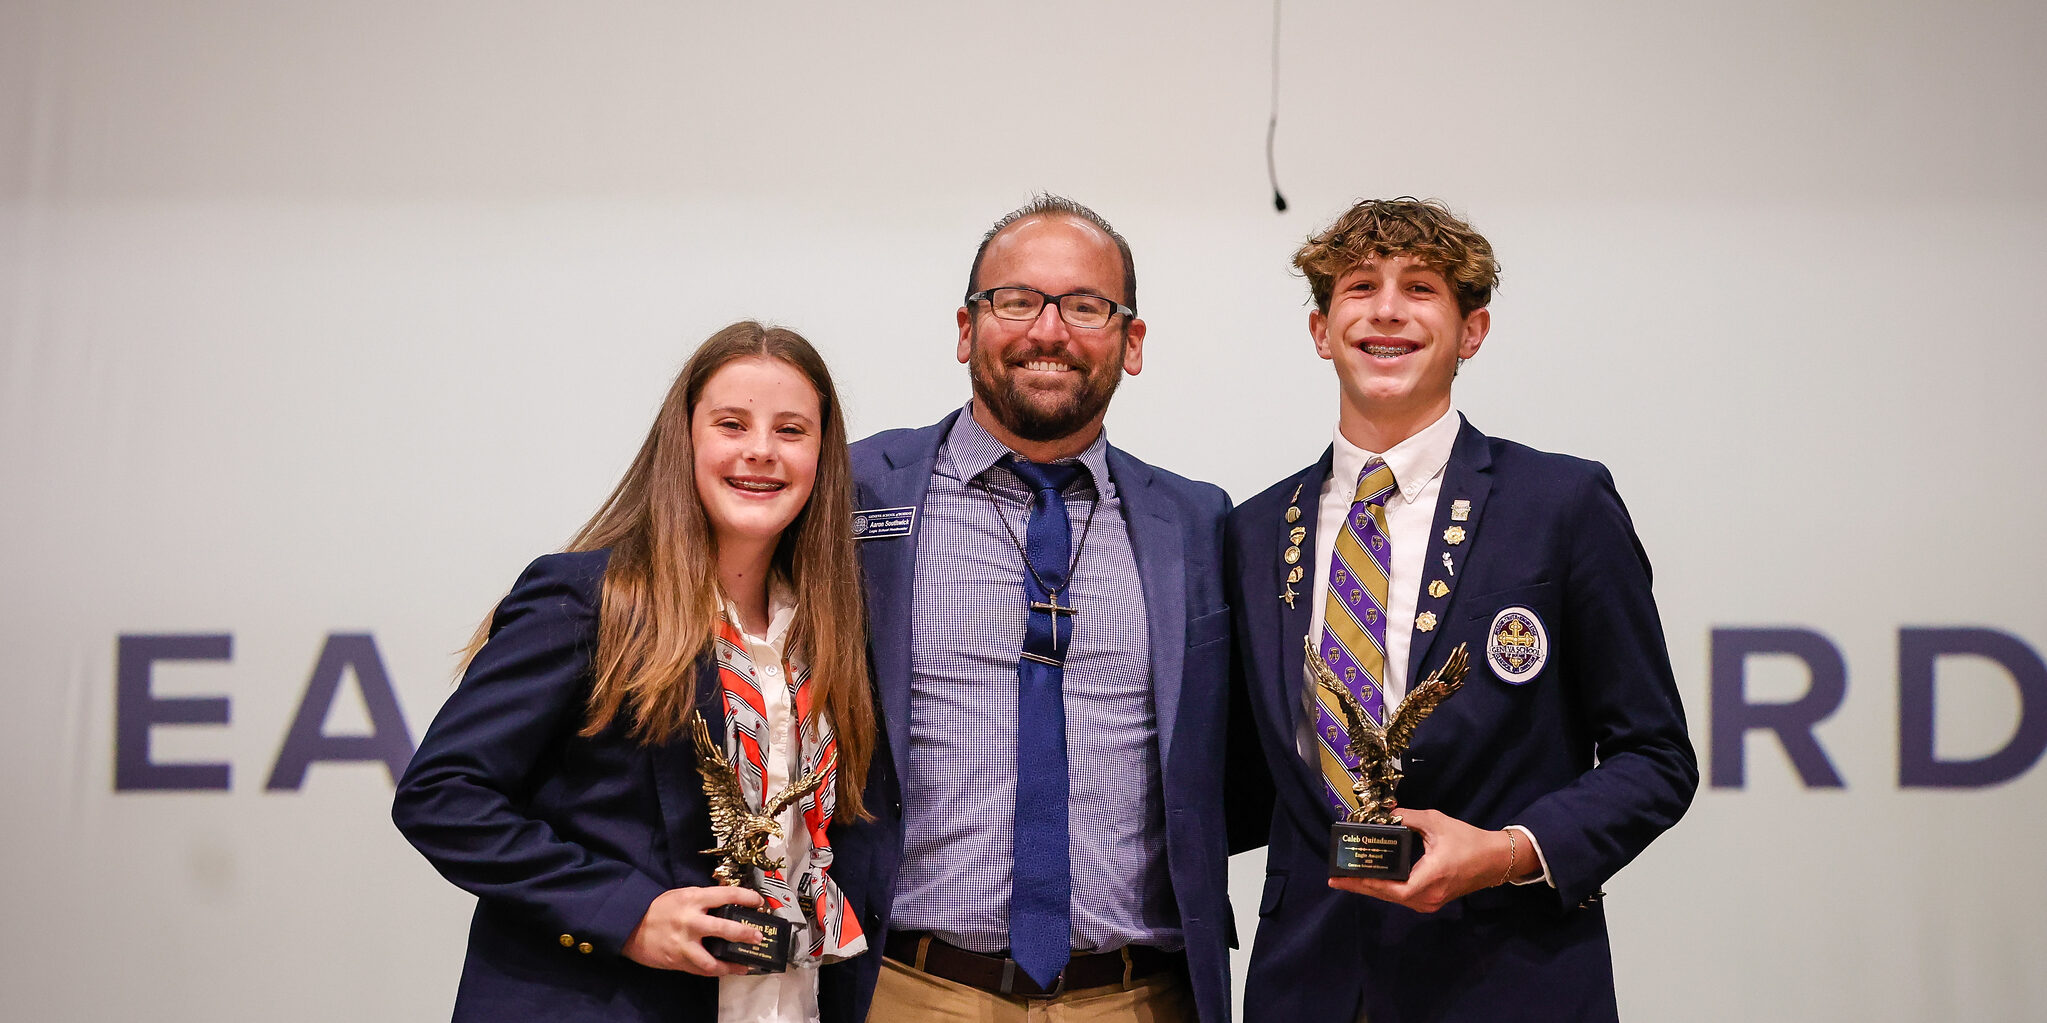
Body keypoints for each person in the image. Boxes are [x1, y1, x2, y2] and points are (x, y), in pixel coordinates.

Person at [1225, 199, 1698, 1022]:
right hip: (1305, 983)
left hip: (1505, 977)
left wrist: (1507, 852)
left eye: (1419, 288)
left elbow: (1654, 758)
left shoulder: (1559, 503)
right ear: (1320, 330)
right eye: (1359, 287)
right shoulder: (1253, 528)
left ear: (1471, 331)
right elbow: (1232, 777)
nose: (1385, 309)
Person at [392, 321, 899, 1023]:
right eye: (731, 423)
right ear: (684, 441)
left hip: (790, 1002)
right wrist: (627, 914)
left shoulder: (835, 633)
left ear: (823, 456)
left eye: (791, 429)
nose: (760, 450)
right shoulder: (591, 599)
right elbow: (442, 795)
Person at [850, 195, 1265, 1022]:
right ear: (966, 328)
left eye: (1085, 306)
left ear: (1130, 341)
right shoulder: (853, 495)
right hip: (906, 989)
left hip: (1138, 997)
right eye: (1015, 300)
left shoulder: (1198, 522)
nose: (1049, 331)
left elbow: (1240, 760)